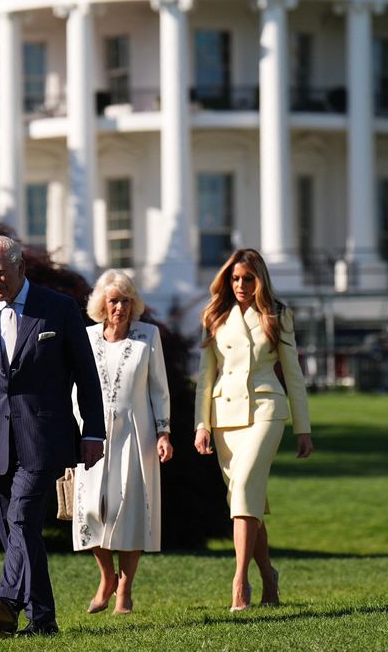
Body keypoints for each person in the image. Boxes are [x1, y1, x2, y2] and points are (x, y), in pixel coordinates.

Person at [0, 235, 105, 638]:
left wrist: (94, 432)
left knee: (22, 517)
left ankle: (8, 599)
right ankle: (42, 619)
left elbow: (87, 375)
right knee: (21, 533)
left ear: (20, 268)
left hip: (43, 436)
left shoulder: (59, 309)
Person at [194, 248, 314, 611]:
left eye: (248, 278)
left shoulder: (278, 315)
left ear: (259, 279)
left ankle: (239, 581)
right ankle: (269, 577)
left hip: (266, 410)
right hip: (224, 418)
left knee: (245, 489)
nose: (241, 285)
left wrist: (303, 428)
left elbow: (293, 374)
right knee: (248, 502)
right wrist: (202, 424)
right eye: (235, 278)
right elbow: (205, 377)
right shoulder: (214, 315)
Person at [72, 269, 173, 616]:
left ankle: (125, 590)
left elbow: (159, 389)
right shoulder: (86, 338)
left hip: (136, 434)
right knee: (91, 510)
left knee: (128, 512)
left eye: (126, 301)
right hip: (94, 436)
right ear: (102, 304)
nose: (120, 307)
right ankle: (106, 579)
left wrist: (163, 432)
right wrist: (80, 429)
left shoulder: (149, 336)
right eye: (114, 301)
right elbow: (75, 390)